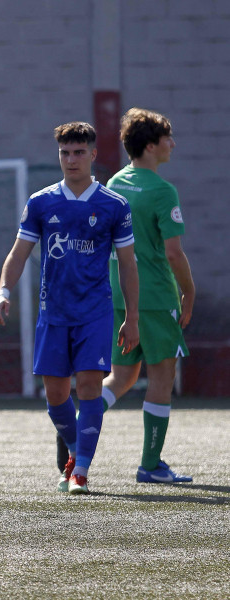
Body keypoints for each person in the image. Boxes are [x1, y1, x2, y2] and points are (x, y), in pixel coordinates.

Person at [0, 121, 139, 495]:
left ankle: (81, 472)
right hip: (53, 314)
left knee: (89, 386)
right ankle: (74, 452)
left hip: (95, 312)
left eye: (78, 152)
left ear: (92, 154)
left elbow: (127, 264)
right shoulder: (41, 202)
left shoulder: (114, 205)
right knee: (55, 395)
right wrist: (3, 291)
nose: (71, 159)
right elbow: (18, 253)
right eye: (64, 153)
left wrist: (131, 316)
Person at [55, 108, 195, 483]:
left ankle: (75, 427)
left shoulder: (114, 182)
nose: (173, 144)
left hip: (117, 296)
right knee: (163, 374)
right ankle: (150, 466)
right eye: (168, 138)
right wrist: (189, 292)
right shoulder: (163, 190)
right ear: (150, 146)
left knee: (122, 376)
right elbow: (173, 253)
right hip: (154, 297)